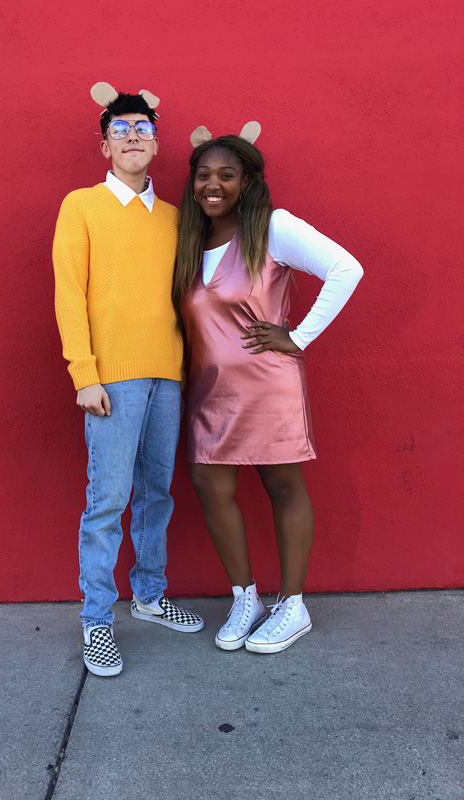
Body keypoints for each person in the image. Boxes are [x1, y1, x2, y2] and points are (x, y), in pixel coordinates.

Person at [173, 129, 363, 654]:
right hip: (210, 391)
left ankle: (293, 605)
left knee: (283, 488)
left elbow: (346, 268)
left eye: (226, 175)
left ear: (248, 182)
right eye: (204, 175)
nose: (213, 185)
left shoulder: (273, 227)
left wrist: (297, 336)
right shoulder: (191, 238)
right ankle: (245, 597)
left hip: (267, 386)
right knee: (211, 487)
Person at [52, 84, 204, 678]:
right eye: (122, 130)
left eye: (142, 128)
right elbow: (70, 294)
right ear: (104, 145)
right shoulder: (81, 206)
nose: (133, 137)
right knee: (108, 500)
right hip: (110, 382)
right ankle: (97, 623)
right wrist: (83, 374)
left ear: (157, 142)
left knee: (158, 494)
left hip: (166, 376)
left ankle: (148, 593)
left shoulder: (173, 218)